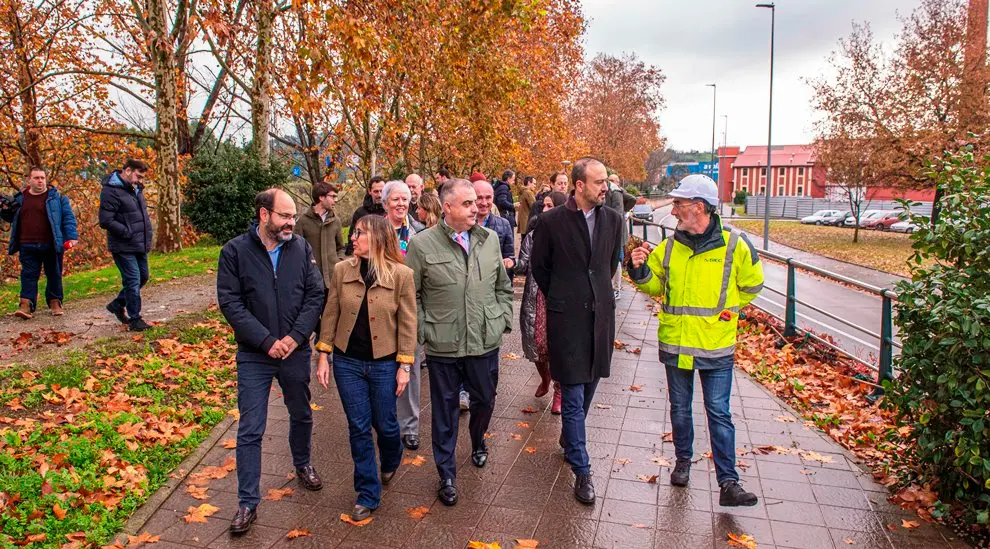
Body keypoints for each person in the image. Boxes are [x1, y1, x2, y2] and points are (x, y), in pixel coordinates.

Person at [627, 174, 764, 507]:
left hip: (715, 345)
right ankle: (683, 462)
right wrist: (638, 269)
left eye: (679, 204)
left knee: (718, 412)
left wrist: (727, 312)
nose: (673, 211)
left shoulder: (736, 245)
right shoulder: (670, 246)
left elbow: (753, 286)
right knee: (680, 409)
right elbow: (654, 285)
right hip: (676, 342)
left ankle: (729, 483)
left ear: (700, 207)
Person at [216, 188, 326, 535]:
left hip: (294, 351)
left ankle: (303, 463)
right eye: (284, 216)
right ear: (264, 215)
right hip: (255, 355)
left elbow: (315, 294)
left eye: (293, 216)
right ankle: (248, 502)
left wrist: (294, 337)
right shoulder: (234, 251)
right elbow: (230, 303)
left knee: (302, 413)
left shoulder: (300, 248)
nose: (291, 222)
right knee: (251, 427)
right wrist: (266, 342)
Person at [405, 178, 513, 506]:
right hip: (444, 344)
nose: (476, 208)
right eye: (467, 204)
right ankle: (446, 472)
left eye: (477, 203)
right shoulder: (423, 245)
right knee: (445, 410)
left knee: (485, 399)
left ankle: (478, 440)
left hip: (483, 340)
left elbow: (502, 285)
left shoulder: (490, 239)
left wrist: (502, 318)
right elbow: (413, 296)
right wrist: (425, 331)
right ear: (447, 207)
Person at [531, 157, 622, 504]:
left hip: (600, 319)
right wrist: (563, 296)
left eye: (606, 182)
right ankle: (582, 470)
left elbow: (609, 264)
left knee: (588, 389)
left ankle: (571, 438)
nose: (605, 188)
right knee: (571, 392)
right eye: (599, 182)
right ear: (579, 185)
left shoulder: (613, 220)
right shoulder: (551, 221)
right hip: (565, 318)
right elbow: (540, 267)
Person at [314, 214, 415, 522]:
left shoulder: (402, 275)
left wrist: (405, 366)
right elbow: (329, 314)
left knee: (385, 425)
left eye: (359, 233)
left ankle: (392, 456)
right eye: (354, 233)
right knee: (358, 427)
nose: (352, 238)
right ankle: (367, 493)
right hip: (348, 363)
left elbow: (409, 324)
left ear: (378, 238)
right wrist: (323, 355)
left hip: (385, 364)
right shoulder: (341, 270)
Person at [1, 166, 78, 319]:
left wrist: (72, 236)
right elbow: (11, 219)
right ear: (29, 180)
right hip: (27, 244)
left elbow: (68, 218)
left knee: (54, 274)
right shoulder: (20, 199)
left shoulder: (57, 198)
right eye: (36, 178)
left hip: (52, 244)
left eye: (42, 178)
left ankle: (55, 301)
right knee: (28, 275)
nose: (40, 181)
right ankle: (26, 304)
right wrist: (4, 210)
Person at [381, 180, 424, 449]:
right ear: (384, 203)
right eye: (395, 199)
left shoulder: (419, 233)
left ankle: (409, 426)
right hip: (379, 308)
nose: (401, 204)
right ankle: (386, 422)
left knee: (411, 366)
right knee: (382, 368)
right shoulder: (372, 230)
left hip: (410, 308)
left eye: (405, 199)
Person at [517, 191, 567, 405]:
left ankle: (559, 390)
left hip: (558, 298)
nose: (545, 209)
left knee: (558, 346)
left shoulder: (569, 235)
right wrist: (508, 263)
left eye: (550, 205)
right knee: (536, 344)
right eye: (544, 205)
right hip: (535, 297)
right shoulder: (533, 235)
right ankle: (545, 378)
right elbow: (522, 264)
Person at [99, 158, 153, 331]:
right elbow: (105, 220)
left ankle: (117, 304)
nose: (140, 180)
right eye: (138, 176)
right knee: (133, 279)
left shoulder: (136, 189)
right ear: (128, 170)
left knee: (143, 277)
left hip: (139, 243)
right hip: (122, 245)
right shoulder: (110, 191)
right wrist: (126, 232)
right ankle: (135, 319)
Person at [293, 182, 345, 338]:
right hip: (311, 279)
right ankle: (320, 337)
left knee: (332, 314)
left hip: (333, 279)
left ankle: (325, 345)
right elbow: (295, 249)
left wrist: (339, 261)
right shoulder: (302, 222)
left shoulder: (335, 221)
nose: (335, 200)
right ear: (321, 197)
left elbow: (341, 247)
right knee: (312, 314)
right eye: (332, 196)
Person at [605, 173, 637, 300]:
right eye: (610, 180)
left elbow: (618, 214)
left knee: (617, 258)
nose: (612, 182)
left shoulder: (616, 191)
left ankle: (616, 288)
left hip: (615, 232)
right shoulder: (609, 190)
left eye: (614, 180)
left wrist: (624, 211)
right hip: (611, 231)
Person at [346, 176, 386, 255]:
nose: (379, 195)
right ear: (369, 191)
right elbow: (352, 236)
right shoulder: (360, 213)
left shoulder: (391, 211)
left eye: (382, 191)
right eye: (376, 191)